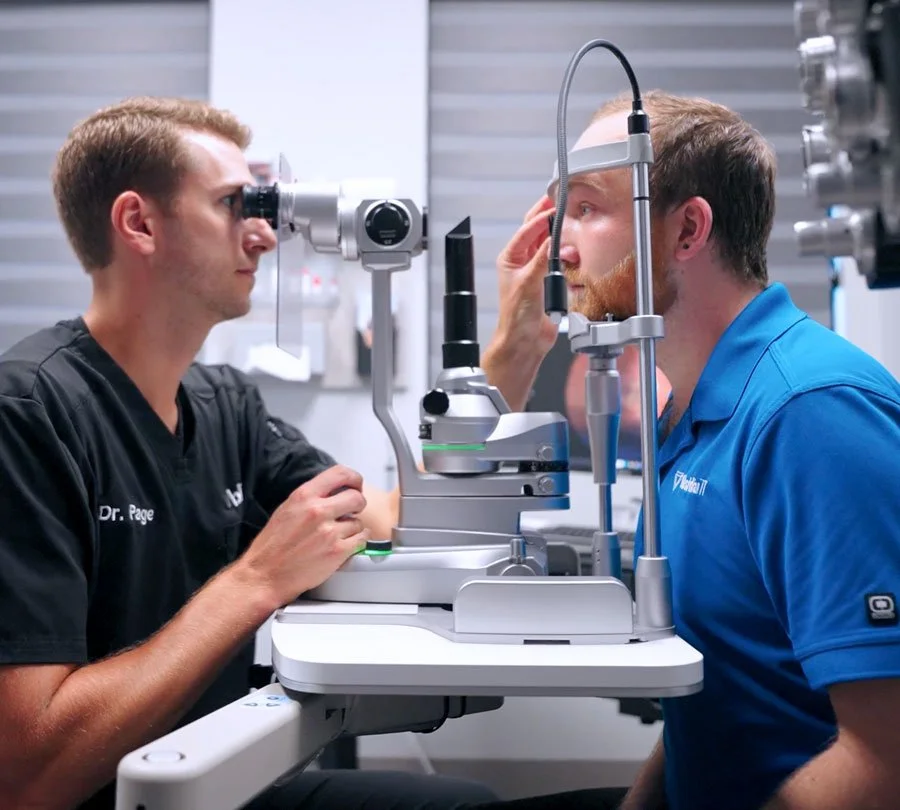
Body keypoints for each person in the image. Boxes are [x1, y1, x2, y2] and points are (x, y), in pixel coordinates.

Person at [0, 97, 499, 810]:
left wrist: (508, 352)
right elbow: (29, 776)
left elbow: (389, 515)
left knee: (462, 803)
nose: (265, 235)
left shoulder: (226, 404)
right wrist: (256, 580)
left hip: (225, 773)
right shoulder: (29, 413)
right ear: (139, 223)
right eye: (237, 205)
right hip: (130, 795)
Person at [476, 89, 900, 809]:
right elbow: (707, 710)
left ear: (687, 231)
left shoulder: (810, 413)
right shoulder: (693, 415)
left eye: (586, 209)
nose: (559, 247)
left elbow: (886, 760)